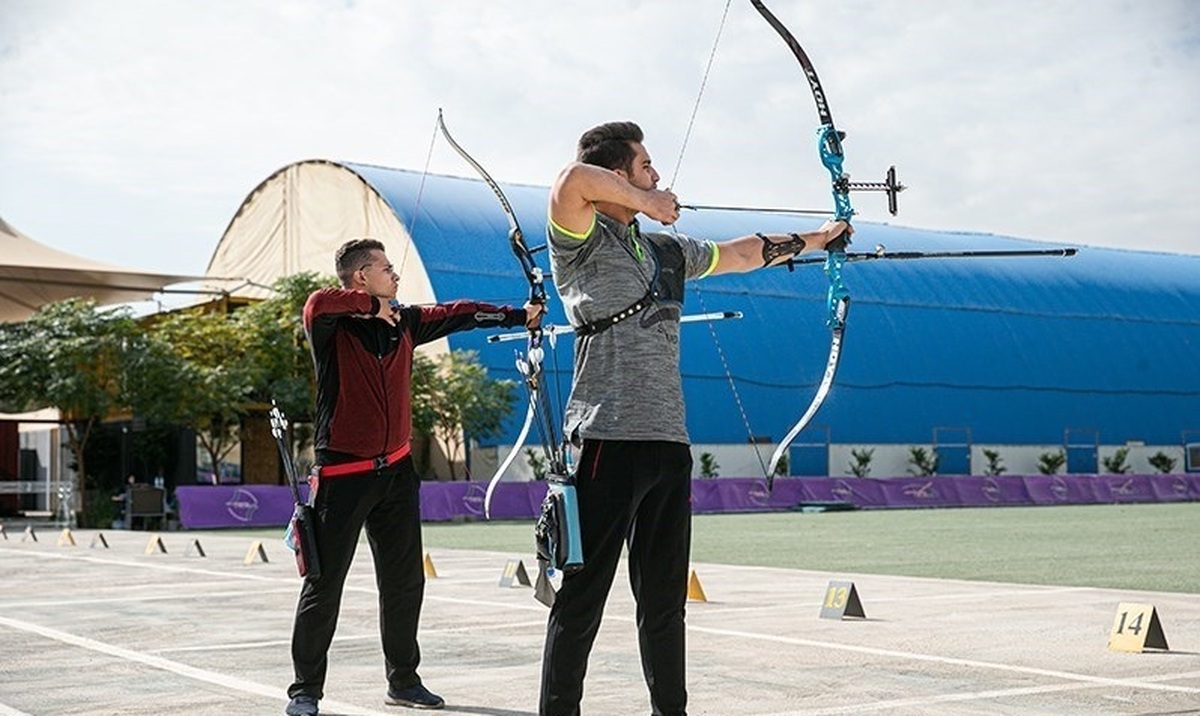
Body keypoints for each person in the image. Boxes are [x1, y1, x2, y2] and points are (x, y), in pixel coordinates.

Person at [540, 121, 850, 715]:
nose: (657, 176)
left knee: (664, 603)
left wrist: (816, 238)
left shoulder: (665, 251)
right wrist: (649, 202)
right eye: (645, 167)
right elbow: (570, 179)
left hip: (666, 443)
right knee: (582, 599)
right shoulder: (580, 242)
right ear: (618, 175)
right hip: (606, 437)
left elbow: (738, 254)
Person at [285, 238, 543, 716]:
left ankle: (403, 681)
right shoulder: (330, 324)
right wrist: (370, 306)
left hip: (397, 476)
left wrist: (518, 314)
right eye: (385, 268)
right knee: (324, 584)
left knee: (405, 583)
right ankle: (305, 690)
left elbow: (460, 311)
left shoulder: (406, 322)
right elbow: (319, 301)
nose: (395, 275)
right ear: (361, 276)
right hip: (343, 474)